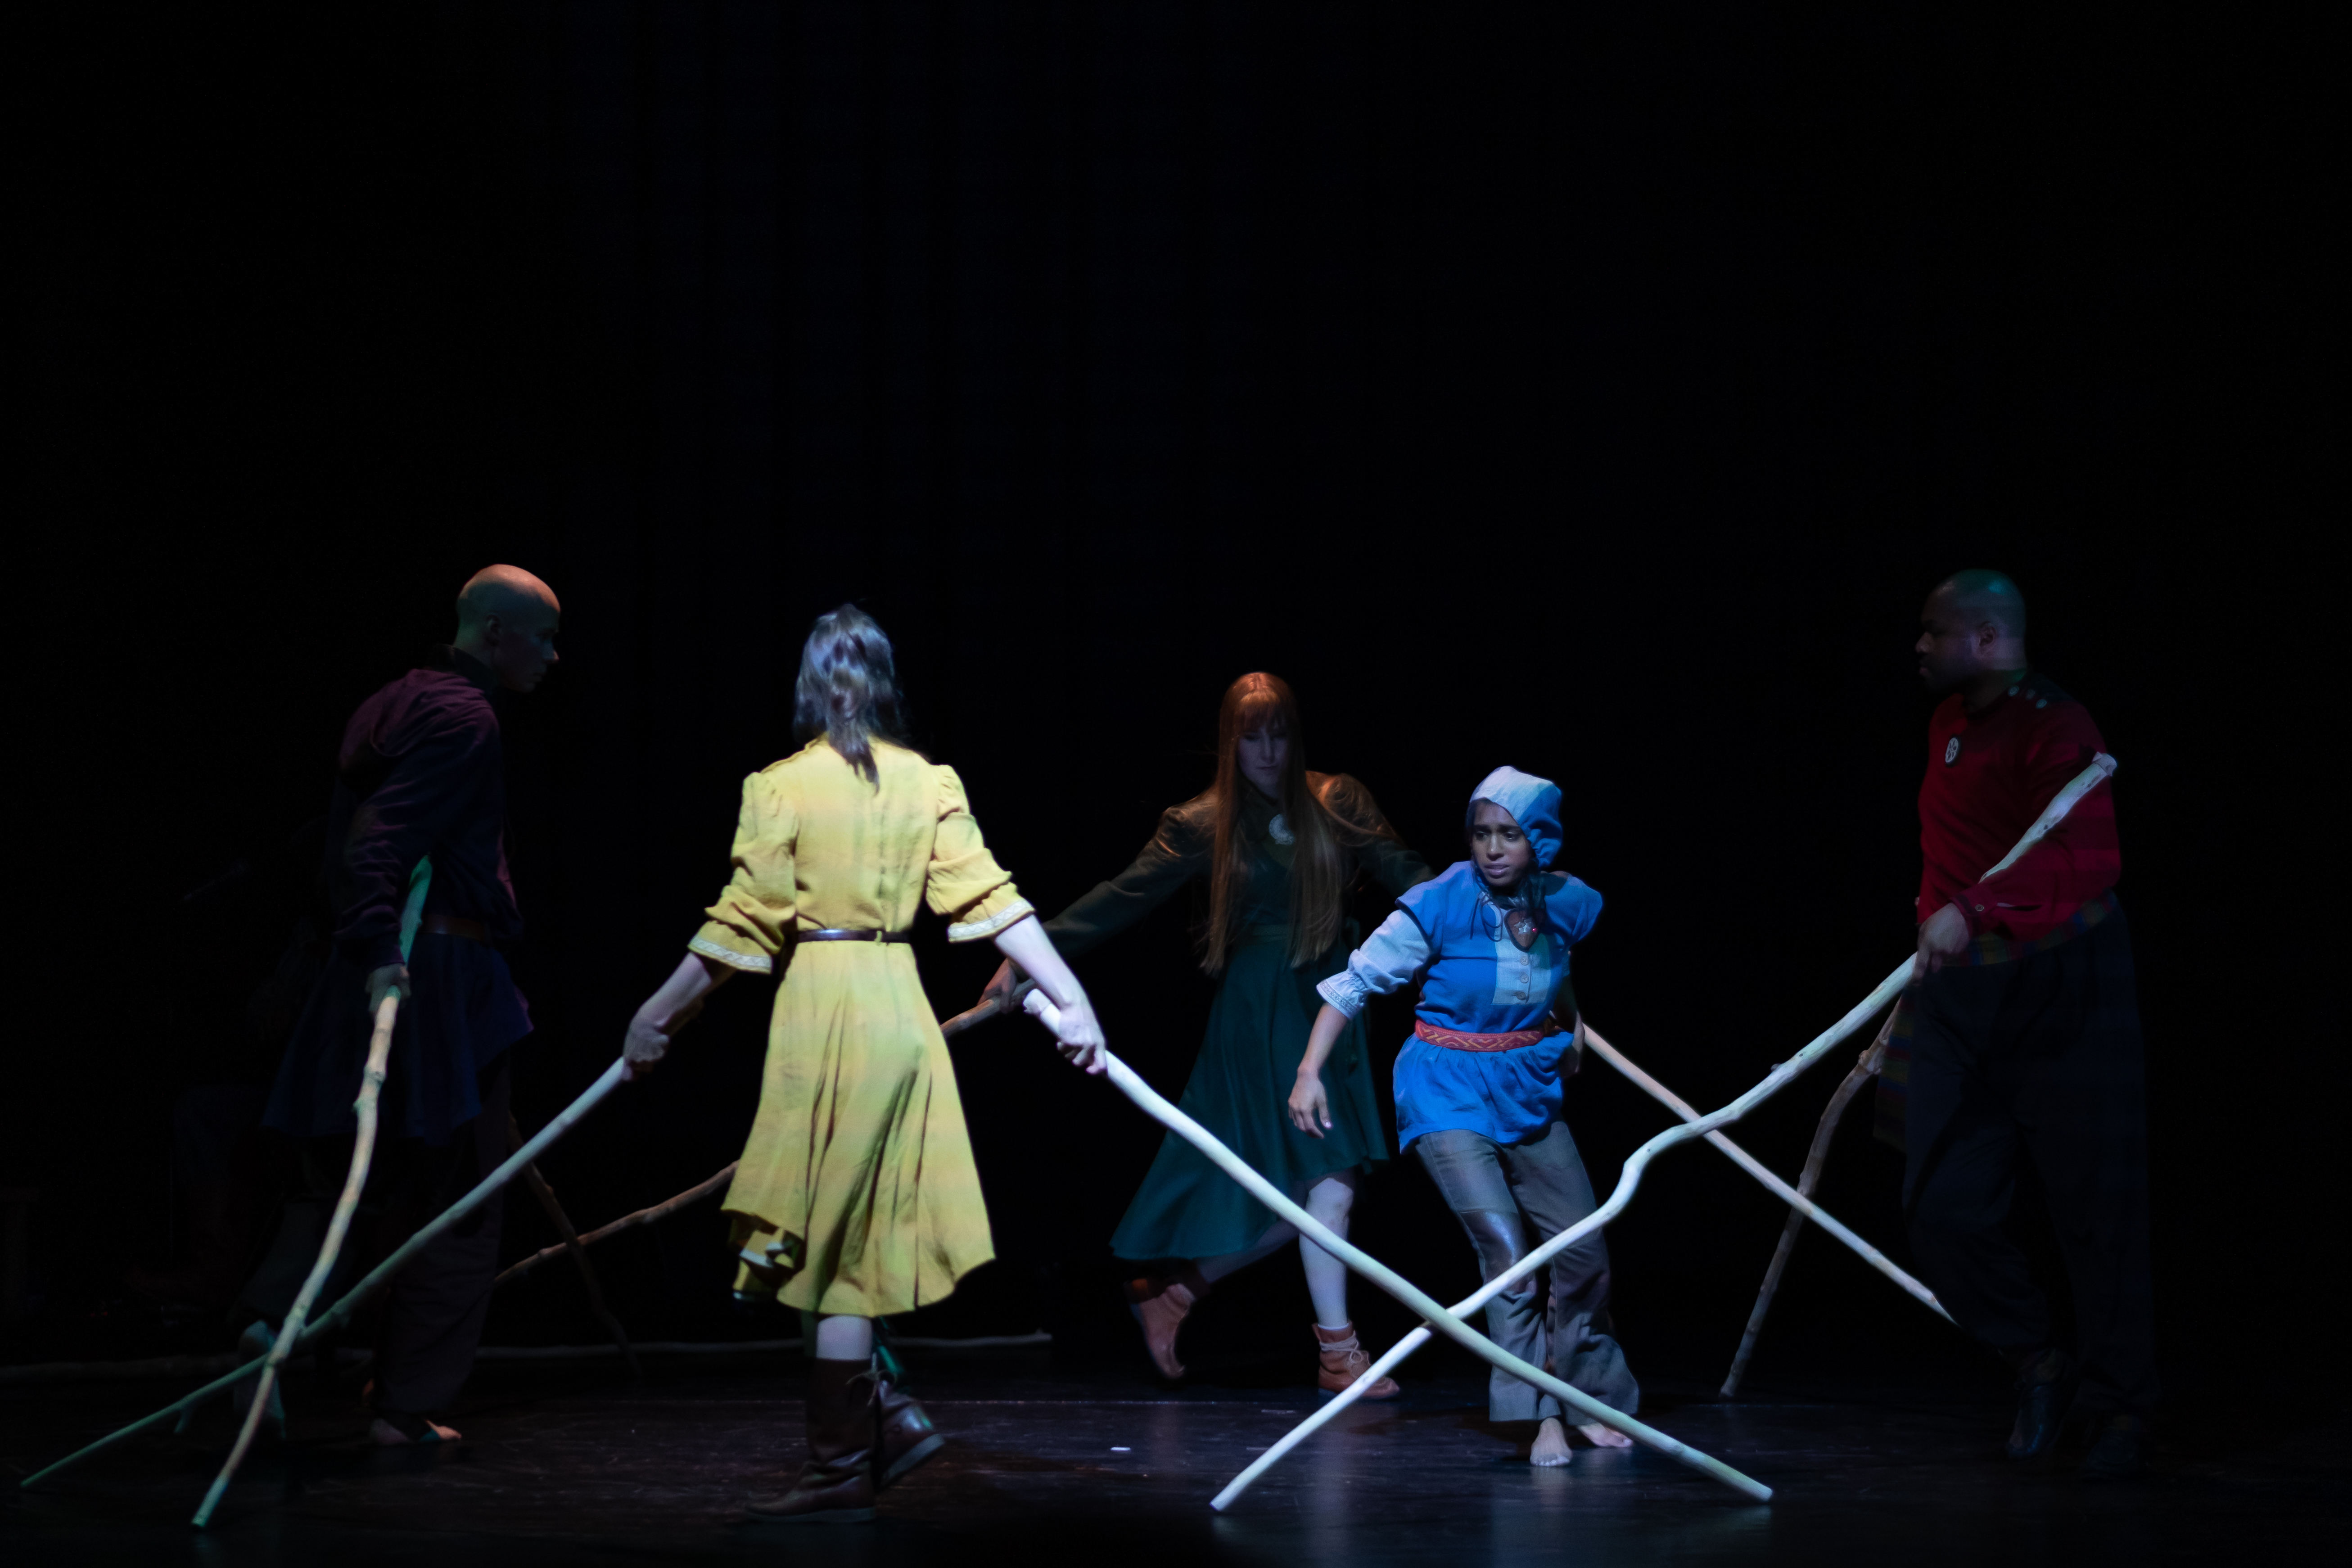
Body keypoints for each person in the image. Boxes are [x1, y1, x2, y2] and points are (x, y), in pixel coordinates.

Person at [622, 605, 1105, 1526]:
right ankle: (884, 1414)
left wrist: (657, 1011)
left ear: (814, 685)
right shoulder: (927, 781)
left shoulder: (782, 786)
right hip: (897, 1010)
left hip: (827, 1008)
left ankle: (842, 1459)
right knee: (844, 1232)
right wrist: (1070, 994)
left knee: (832, 1247)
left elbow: (747, 916)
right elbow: (991, 899)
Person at [980, 672, 1431, 1398]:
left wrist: (1486, 929)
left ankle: (1181, 1294)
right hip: (1260, 1011)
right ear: (1230, 742)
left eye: (1278, 734)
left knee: (1319, 1184)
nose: (1267, 751)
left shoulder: (1336, 799)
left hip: (1332, 1001)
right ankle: (1335, 1352)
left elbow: (1413, 882)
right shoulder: (1201, 821)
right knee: (1328, 1178)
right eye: (1251, 738)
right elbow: (1120, 897)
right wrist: (1028, 956)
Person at [242, 565, 560, 1446]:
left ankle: (267, 1324)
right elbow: (377, 842)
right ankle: (405, 1403)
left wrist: (371, 951)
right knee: (462, 1196)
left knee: (351, 1168)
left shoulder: (392, 702)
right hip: (434, 974)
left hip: (380, 969)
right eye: (542, 637)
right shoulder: (465, 717)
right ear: (495, 632)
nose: (552, 655)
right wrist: (384, 951)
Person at [1296, 766, 1637, 1467]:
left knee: (1582, 1252)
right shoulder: (1440, 902)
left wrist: (1570, 1024)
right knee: (1508, 1256)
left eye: (1508, 834)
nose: (1492, 848)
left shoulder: (1560, 901)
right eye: (1481, 834)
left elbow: (1553, 966)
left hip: (1526, 1085)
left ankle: (1587, 1397)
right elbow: (1354, 984)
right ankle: (1539, 1415)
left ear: (1538, 839)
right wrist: (1308, 1072)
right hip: (1444, 1088)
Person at [1896, 569, 2154, 1479]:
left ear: (1986, 638)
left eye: (1934, 630)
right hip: (1962, 993)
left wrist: (1977, 909)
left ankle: (2119, 1405)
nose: (1919, 645)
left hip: (2062, 984)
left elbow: (2085, 860)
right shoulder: (1946, 720)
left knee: (2097, 1210)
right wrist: (1935, 929)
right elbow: (1950, 852)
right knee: (1939, 1205)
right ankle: (2036, 1358)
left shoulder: (2059, 727)